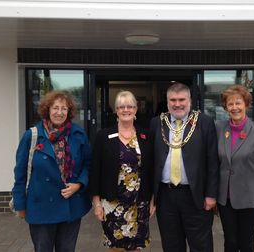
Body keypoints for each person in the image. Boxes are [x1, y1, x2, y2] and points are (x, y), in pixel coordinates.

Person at [12, 91, 92, 252]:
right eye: (55, 108)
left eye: (64, 108)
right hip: (41, 207)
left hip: (71, 204)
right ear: (47, 110)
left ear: (69, 112)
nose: (59, 112)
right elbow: (20, 172)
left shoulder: (78, 134)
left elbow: (88, 164)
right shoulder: (32, 136)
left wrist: (78, 184)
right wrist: (20, 204)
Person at [150, 82, 219, 252]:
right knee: (171, 245)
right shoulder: (157, 123)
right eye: (173, 100)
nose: (177, 104)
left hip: (196, 196)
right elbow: (151, 159)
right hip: (166, 196)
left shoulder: (204, 122)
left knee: (200, 245)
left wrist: (211, 194)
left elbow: (213, 161)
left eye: (181, 99)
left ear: (189, 100)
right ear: (167, 102)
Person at [89, 91, 155, 252]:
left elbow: (151, 170)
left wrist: (153, 200)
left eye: (130, 106)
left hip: (139, 203)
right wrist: (96, 203)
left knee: (135, 248)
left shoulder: (146, 135)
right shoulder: (103, 136)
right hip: (113, 204)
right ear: (117, 110)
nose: (126, 110)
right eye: (122, 106)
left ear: (136, 109)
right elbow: (95, 171)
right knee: (116, 248)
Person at [215, 84, 254, 252]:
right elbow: (215, 164)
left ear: (247, 104)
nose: (234, 108)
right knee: (230, 243)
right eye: (230, 104)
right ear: (225, 107)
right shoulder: (219, 129)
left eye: (238, 103)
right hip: (225, 200)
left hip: (249, 200)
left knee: (246, 244)